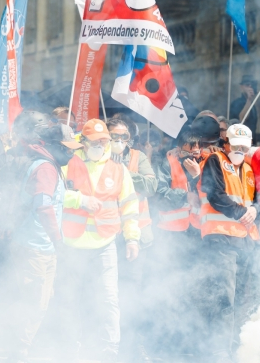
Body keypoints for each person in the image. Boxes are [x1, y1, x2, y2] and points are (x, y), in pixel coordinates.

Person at [56, 119, 140, 363]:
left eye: (104, 141)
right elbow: (55, 194)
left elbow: (129, 205)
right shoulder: (66, 165)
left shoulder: (118, 169)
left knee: (108, 301)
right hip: (72, 245)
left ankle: (108, 353)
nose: (101, 146)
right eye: (95, 142)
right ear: (83, 142)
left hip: (104, 245)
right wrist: (79, 200)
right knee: (71, 300)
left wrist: (132, 238)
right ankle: (71, 351)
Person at [4, 112, 82, 363]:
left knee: (41, 300)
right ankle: (17, 351)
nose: (71, 153)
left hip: (41, 247)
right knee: (35, 303)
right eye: (67, 148)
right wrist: (58, 241)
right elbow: (43, 205)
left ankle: (19, 347)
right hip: (34, 247)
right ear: (51, 145)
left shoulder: (48, 165)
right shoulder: (46, 168)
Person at [199, 124, 259, 363]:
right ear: (226, 143)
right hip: (220, 236)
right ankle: (219, 350)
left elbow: (253, 200)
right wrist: (242, 212)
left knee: (242, 296)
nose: (240, 150)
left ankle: (236, 347)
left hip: (244, 240)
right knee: (225, 296)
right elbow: (214, 194)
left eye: (244, 147)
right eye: (236, 146)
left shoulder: (247, 168)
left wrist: (254, 209)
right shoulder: (215, 160)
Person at [107, 118, 156, 362]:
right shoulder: (96, 157)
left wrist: (124, 173)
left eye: (123, 137)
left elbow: (151, 184)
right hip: (105, 238)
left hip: (137, 238)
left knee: (134, 294)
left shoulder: (138, 157)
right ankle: (108, 346)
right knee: (108, 295)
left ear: (129, 139)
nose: (118, 142)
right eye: (113, 136)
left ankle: (134, 346)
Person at [150, 130, 203, 358]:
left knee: (193, 289)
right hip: (171, 235)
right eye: (189, 150)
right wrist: (184, 195)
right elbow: (159, 192)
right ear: (179, 149)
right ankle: (165, 344)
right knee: (170, 289)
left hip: (197, 233)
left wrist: (197, 176)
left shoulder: (206, 164)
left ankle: (190, 343)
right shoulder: (167, 163)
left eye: (197, 150)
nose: (194, 154)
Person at [230, 75, 258, 139]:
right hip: (240, 139)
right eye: (247, 85)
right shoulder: (236, 103)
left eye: (251, 85)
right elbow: (242, 119)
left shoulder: (252, 105)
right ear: (241, 87)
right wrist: (249, 100)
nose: (250, 88)